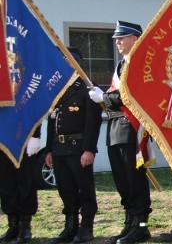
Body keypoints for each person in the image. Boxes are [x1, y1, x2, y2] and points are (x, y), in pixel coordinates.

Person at [88, 21, 152, 244]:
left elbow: (129, 94)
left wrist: (103, 98)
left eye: (122, 37)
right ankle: (130, 222)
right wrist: (104, 96)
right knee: (122, 180)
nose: (117, 42)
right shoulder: (122, 65)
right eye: (116, 38)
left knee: (134, 179)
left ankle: (142, 226)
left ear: (135, 39)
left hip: (131, 127)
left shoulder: (139, 63)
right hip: (116, 126)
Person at [45, 47, 103, 244]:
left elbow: (92, 122)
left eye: (65, 61)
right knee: (66, 190)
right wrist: (49, 150)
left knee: (84, 189)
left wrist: (89, 149)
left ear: (75, 63)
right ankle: (70, 226)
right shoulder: (57, 87)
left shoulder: (87, 87)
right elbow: (52, 122)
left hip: (78, 148)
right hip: (59, 149)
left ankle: (86, 227)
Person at [0, 128, 40, 244]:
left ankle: (25, 226)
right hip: (3, 138)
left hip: (23, 136)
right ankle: (13, 225)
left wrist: (35, 135)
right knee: (6, 182)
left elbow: (33, 111)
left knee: (25, 181)